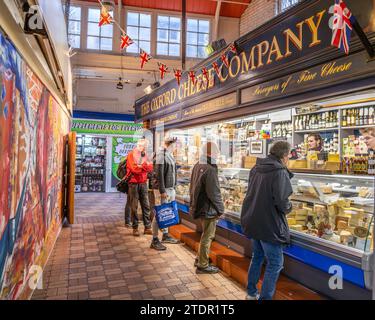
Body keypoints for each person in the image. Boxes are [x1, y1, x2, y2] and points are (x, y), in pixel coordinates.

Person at [241, 141, 293, 300]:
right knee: (275, 263)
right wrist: (290, 207)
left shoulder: (256, 168)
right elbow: (282, 202)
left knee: (257, 256)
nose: (289, 158)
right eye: (289, 155)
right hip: (270, 225)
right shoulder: (279, 171)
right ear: (284, 156)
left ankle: (251, 293)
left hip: (253, 220)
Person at [190, 142, 224, 274]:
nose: (218, 155)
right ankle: (202, 265)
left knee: (205, 235)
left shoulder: (198, 164)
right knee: (207, 236)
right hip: (208, 208)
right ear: (212, 153)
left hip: (199, 206)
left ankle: (199, 259)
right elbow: (214, 193)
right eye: (217, 152)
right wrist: (221, 209)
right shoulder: (210, 168)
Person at [150, 136, 180, 250]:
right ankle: (155, 239)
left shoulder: (169, 154)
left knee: (168, 212)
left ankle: (166, 235)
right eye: (176, 144)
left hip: (170, 188)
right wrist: (162, 190)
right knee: (160, 213)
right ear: (171, 144)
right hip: (163, 190)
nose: (177, 147)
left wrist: (174, 186)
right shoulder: (160, 155)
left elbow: (174, 172)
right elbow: (159, 174)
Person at [126, 139, 153, 236]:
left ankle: (147, 227)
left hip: (143, 183)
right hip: (133, 184)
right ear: (142, 146)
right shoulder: (131, 154)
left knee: (146, 205)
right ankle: (135, 227)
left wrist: (141, 166)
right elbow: (134, 169)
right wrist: (143, 167)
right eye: (146, 147)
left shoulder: (145, 155)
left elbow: (150, 168)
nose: (147, 148)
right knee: (134, 206)